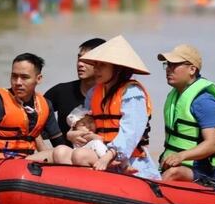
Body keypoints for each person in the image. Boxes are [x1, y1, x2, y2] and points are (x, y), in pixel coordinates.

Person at [52, 35, 161, 180]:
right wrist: (73, 134)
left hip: (125, 158)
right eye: (95, 64)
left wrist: (108, 156)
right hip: (97, 148)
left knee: (80, 155)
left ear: (117, 68)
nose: (96, 69)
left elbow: (130, 133)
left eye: (101, 65)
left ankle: (108, 179)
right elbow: (86, 121)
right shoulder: (94, 92)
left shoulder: (132, 93)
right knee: (60, 152)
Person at [0, 53, 65, 163]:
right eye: (14, 76)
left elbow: (60, 144)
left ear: (38, 79)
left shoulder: (45, 105)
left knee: (63, 152)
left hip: (26, 166)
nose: (18, 82)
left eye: (24, 77)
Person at [157, 44, 215, 183]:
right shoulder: (175, 95)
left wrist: (181, 156)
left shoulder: (204, 101)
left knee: (173, 173)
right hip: (176, 166)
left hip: (204, 171)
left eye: (174, 65)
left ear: (192, 69)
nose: (168, 69)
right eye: (167, 65)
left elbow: (211, 144)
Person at [44, 38, 106, 145]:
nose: (80, 64)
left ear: (103, 63)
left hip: (102, 155)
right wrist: (49, 145)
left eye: (86, 60)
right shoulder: (60, 91)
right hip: (62, 156)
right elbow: (33, 121)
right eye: (79, 58)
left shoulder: (114, 96)